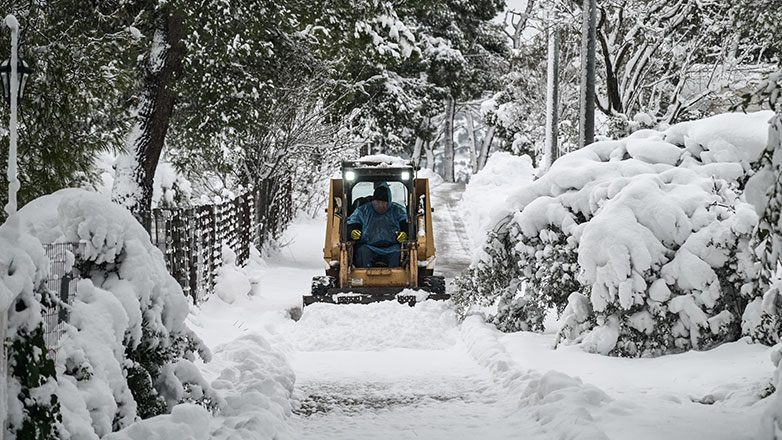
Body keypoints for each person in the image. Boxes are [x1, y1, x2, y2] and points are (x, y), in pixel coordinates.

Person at [347, 183, 409, 268]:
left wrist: (405, 233)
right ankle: (363, 279)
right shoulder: (363, 211)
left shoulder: (398, 211)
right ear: (373, 201)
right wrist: (352, 232)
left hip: (392, 248)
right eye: (378, 202)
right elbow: (352, 224)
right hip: (368, 246)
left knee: (398, 254)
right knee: (362, 252)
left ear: (389, 202)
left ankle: (398, 279)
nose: (380, 205)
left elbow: (407, 225)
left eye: (384, 202)